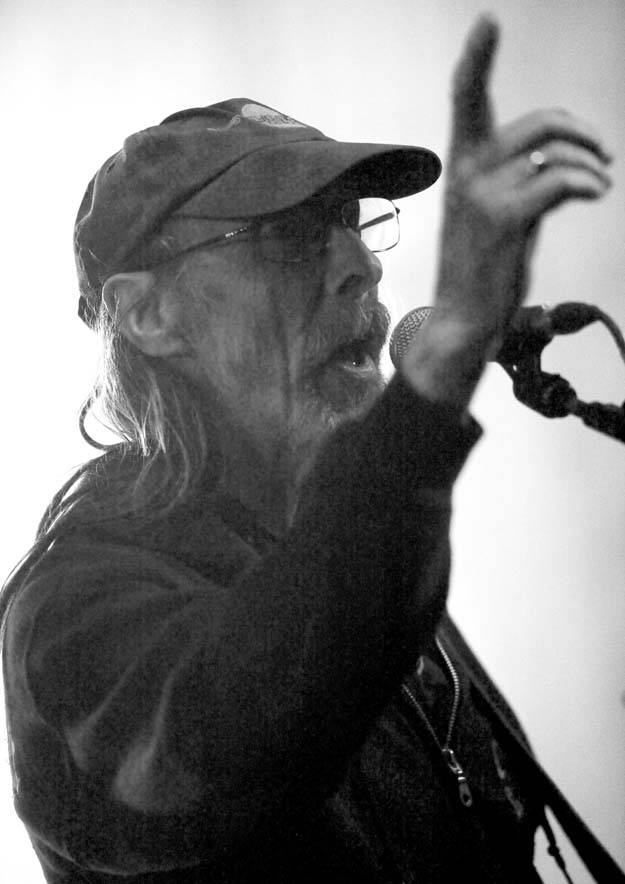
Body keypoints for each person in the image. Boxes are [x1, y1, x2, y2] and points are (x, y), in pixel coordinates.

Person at [1, 16, 615, 884]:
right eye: (290, 234)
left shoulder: (355, 561)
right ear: (148, 314)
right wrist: (433, 384)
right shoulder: (76, 609)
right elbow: (223, 748)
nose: (360, 264)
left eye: (352, 223)